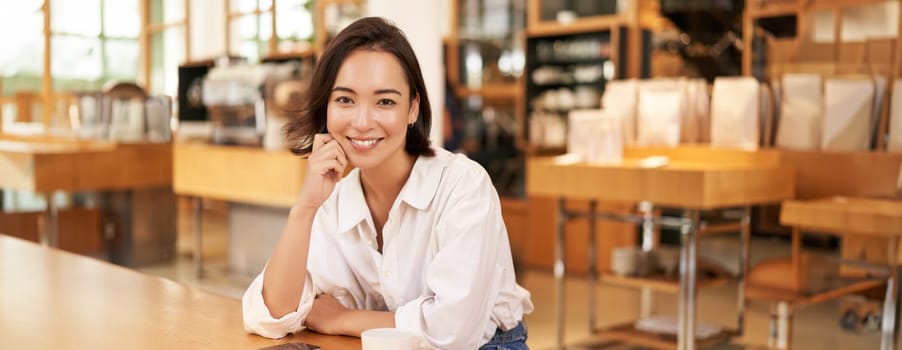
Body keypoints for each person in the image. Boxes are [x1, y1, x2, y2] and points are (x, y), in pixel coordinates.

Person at [242, 17, 533, 349]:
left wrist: (342, 319)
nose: (362, 122)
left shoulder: (463, 186)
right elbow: (269, 316)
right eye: (345, 100)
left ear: (412, 109)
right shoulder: (334, 200)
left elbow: (453, 333)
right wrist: (304, 208)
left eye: (385, 102)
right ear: (326, 107)